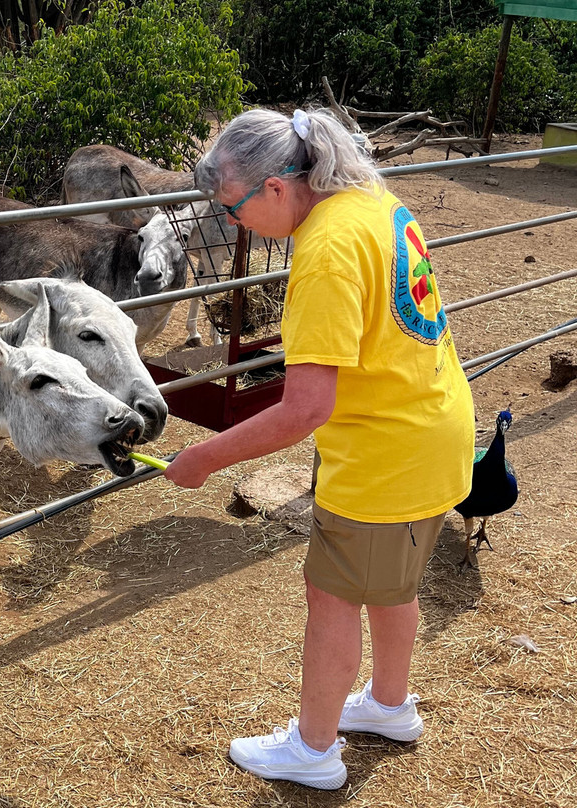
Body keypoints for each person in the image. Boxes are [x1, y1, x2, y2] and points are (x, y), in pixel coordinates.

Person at [164, 107, 474, 790]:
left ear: (276, 188)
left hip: (383, 456)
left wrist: (203, 458)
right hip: (431, 429)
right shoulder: (373, 201)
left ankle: (313, 749)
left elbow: (305, 408)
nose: (234, 222)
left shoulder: (326, 250)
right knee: (393, 585)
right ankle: (389, 705)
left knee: (331, 594)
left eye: (232, 207)